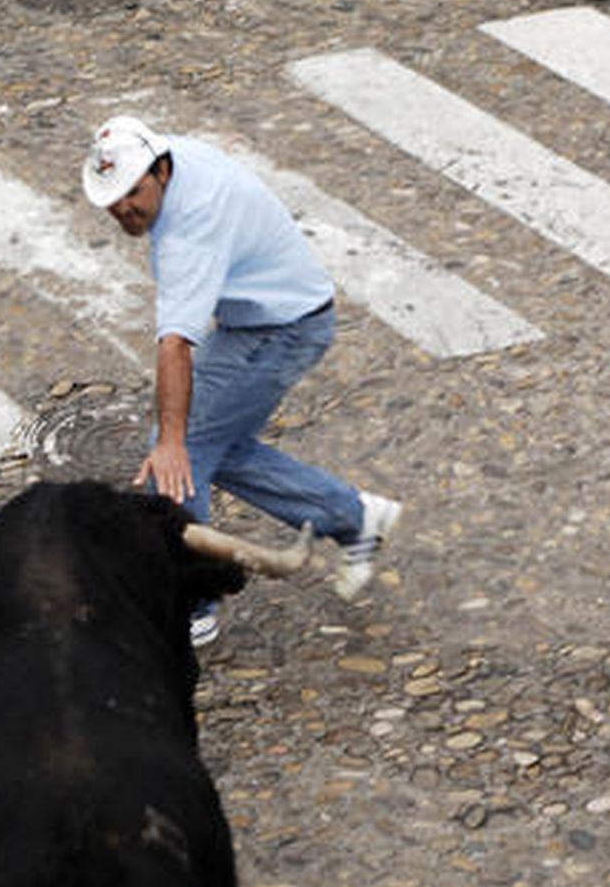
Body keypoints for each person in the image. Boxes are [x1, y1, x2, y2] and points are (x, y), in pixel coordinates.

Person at [81, 116, 401, 646]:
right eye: (112, 199)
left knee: (178, 461)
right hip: (277, 316)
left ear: (160, 171)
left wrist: (172, 441)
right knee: (213, 446)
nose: (122, 209)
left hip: (280, 330)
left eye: (132, 194)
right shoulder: (169, 158)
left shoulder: (190, 228)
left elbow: (176, 344)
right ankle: (353, 516)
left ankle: (191, 606)